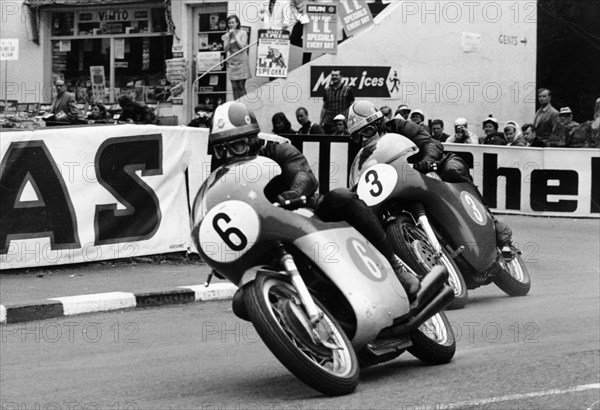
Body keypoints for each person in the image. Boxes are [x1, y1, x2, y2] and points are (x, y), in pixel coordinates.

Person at [209, 101, 420, 300]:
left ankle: (395, 265)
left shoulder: (276, 150)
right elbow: (219, 209)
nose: (229, 155)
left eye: (236, 146)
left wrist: (295, 192)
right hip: (267, 233)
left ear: (252, 139)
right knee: (242, 301)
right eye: (221, 149)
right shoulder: (222, 177)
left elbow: (303, 173)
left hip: (307, 211)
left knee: (342, 197)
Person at [347, 100, 513, 251]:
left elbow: (430, 143)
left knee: (452, 171)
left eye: (367, 131)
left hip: (433, 166)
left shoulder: (399, 126)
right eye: (356, 136)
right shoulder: (363, 152)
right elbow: (361, 175)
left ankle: (492, 221)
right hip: (399, 185)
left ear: (379, 123)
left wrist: (427, 159)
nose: (362, 139)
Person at [222, 15, 252, 100]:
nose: (231, 24)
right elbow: (226, 49)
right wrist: (229, 38)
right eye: (229, 23)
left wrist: (235, 36)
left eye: (233, 22)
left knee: (241, 85)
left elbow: (242, 47)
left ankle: (244, 105)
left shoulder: (243, 33)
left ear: (237, 23)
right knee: (234, 86)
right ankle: (236, 105)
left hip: (242, 61)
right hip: (232, 62)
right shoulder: (227, 35)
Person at [320, 69, 355, 134]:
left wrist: (351, 122)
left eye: (336, 75)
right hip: (328, 123)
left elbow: (352, 107)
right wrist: (320, 122)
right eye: (332, 75)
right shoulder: (327, 90)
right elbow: (324, 108)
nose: (334, 77)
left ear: (341, 76)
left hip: (342, 123)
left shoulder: (348, 89)